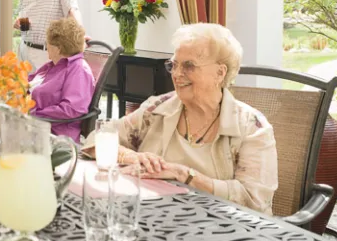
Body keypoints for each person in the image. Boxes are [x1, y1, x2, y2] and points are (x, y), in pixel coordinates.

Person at [82, 24, 278, 214]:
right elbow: (96, 139)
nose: (176, 74)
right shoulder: (156, 109)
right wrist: (133, 157)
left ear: (220, 73)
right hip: (154, 220)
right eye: (173, 65)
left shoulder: (252, 128)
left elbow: (254, 201)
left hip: (223, 230)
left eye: (188, 66)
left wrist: (184, 175)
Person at [29, 18, 95, 143]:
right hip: (34, 130)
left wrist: (34, 114)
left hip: (55, 137)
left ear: (57, 48)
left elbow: (73, 108)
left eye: (47, 42)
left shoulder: (78, 69)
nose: (46, 46)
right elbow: (26, 82)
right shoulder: (53, 66)